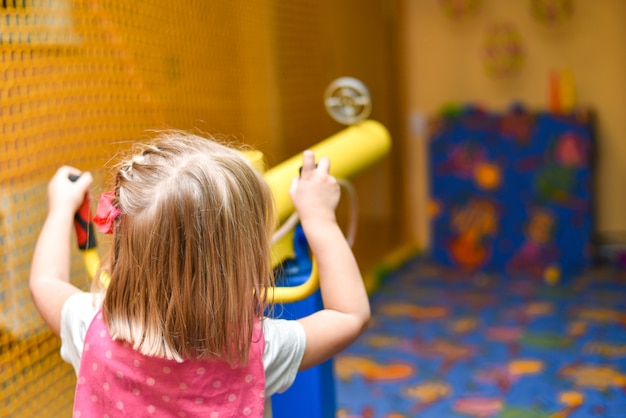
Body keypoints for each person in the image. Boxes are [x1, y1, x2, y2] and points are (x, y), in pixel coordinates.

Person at [29, 131, 371, 418]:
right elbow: (349, 315)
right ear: (245, 263)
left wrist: (61, 207)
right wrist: (319, 217)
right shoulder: (254, 351)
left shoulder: (87, 326)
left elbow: (45, 281)